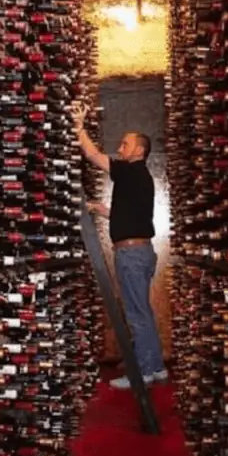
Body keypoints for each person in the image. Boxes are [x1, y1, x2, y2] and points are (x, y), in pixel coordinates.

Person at [72, 104, 168, 389]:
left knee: (137, 314)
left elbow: (92, 155)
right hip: (140, 252)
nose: (120, 147)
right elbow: (128, 215)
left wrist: (79, 127)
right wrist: (98, 209)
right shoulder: (139, 178)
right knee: (143, 312)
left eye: (125, 144)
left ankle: (144, 373)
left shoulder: (130, 170)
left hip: (132, 255)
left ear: (139, 151)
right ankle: (155, 366)